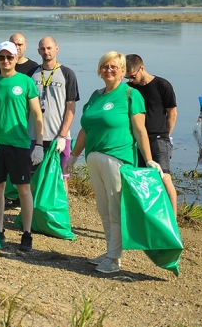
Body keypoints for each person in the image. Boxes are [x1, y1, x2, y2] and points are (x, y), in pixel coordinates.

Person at [67, 52, 163, 274]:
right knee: (103, 208)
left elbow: (140, 130)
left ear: (122, 71)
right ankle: (110, 251)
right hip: (94, 158)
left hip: (117, 159)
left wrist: (148, 159)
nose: (108, 70)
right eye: (104, 66)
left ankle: (114, 259)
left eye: (113, 67)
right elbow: (85, 129)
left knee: (115, 209)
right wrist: (73, 156)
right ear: (99, 70)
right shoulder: (95, 96)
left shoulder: (130, 94)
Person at [0, 41, 44, 252]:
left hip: (19, 145)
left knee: (24, 189)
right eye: (1, 57)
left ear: (16, 58)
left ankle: (26, 233)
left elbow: (36, 114)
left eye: (9, 57)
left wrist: (39, 144)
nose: (5, 61)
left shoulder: (25, 82)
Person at [125, 54, 178, 216]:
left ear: (142, 68)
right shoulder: (130, 90)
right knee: (141, 180)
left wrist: (166, 137)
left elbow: (172, 113)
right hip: (137, 140)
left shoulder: (162, 85)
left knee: (164, 177)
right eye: (127, 77)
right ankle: (149, 217)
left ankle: (173, 220)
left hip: (159, 138)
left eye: (132, 76)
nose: (130, 80)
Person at [30, 36, 79, 190]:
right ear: (38, 51)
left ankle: (61, 212)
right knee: (34, 178)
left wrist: (63, 136)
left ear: (56, 48)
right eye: (43, 49)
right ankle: (34, 213)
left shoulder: (67, 73)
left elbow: (71, 108)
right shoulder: (32, 74)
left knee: (61, 177)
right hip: (34, 136)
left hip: (59, 137)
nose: (46, 51)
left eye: (49, 48)